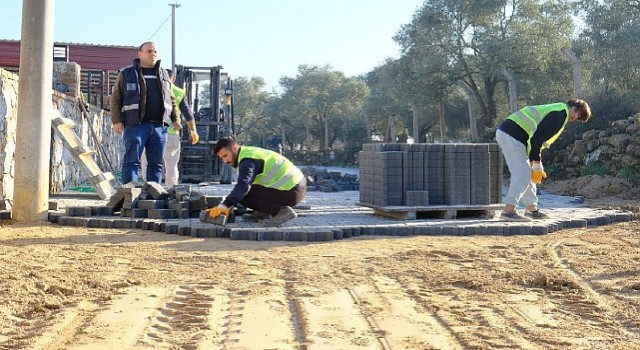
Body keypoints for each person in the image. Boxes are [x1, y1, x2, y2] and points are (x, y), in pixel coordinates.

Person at [496, 99, 592, 221]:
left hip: (512, 135)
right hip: (512, 136)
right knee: (522, 174)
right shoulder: (560, 114)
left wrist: (535, 162)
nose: (575, 116)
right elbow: (536, 140)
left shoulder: (557, 110)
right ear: (571, 106)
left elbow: (535, 139)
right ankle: (508, 212)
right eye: (577, 111)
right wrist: (536, 162)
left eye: (579, 116)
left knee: (528, 174)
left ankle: (532, 210)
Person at [110, 41, 180, 184]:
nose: (152, 54)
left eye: (155, 52)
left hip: (159, 127)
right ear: (139, 54)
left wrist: (175, 118)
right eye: (149, 51)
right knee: (132, 161)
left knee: (156, 164)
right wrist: (116, 120)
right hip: (135, 125)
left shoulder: (164, 74)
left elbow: (171, 98)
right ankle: (130, 194)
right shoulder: (126, 74)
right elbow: (116, 98)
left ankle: (153, 195)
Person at [206, 137, 307, 226]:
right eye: (222, 158)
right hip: (295, 187)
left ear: (234, 148)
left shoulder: (247, 160)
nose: (225, 161)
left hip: (292, 190)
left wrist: (224, 205)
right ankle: (263, 212)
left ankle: (282, 212)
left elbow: (243, 186)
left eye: (225, 156)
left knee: (243, 195)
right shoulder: (246, 154)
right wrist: (229, 205)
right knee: (242, 193)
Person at [141, 69, 199, 187]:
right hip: (172, 133)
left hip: (154, 132)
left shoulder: (150, 87)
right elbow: (188, 114)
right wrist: (193, 131)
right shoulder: (179, 92)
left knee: (148, 162)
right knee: (171, 164)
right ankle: (171, 190)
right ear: (173, 79)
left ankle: (149, 188)